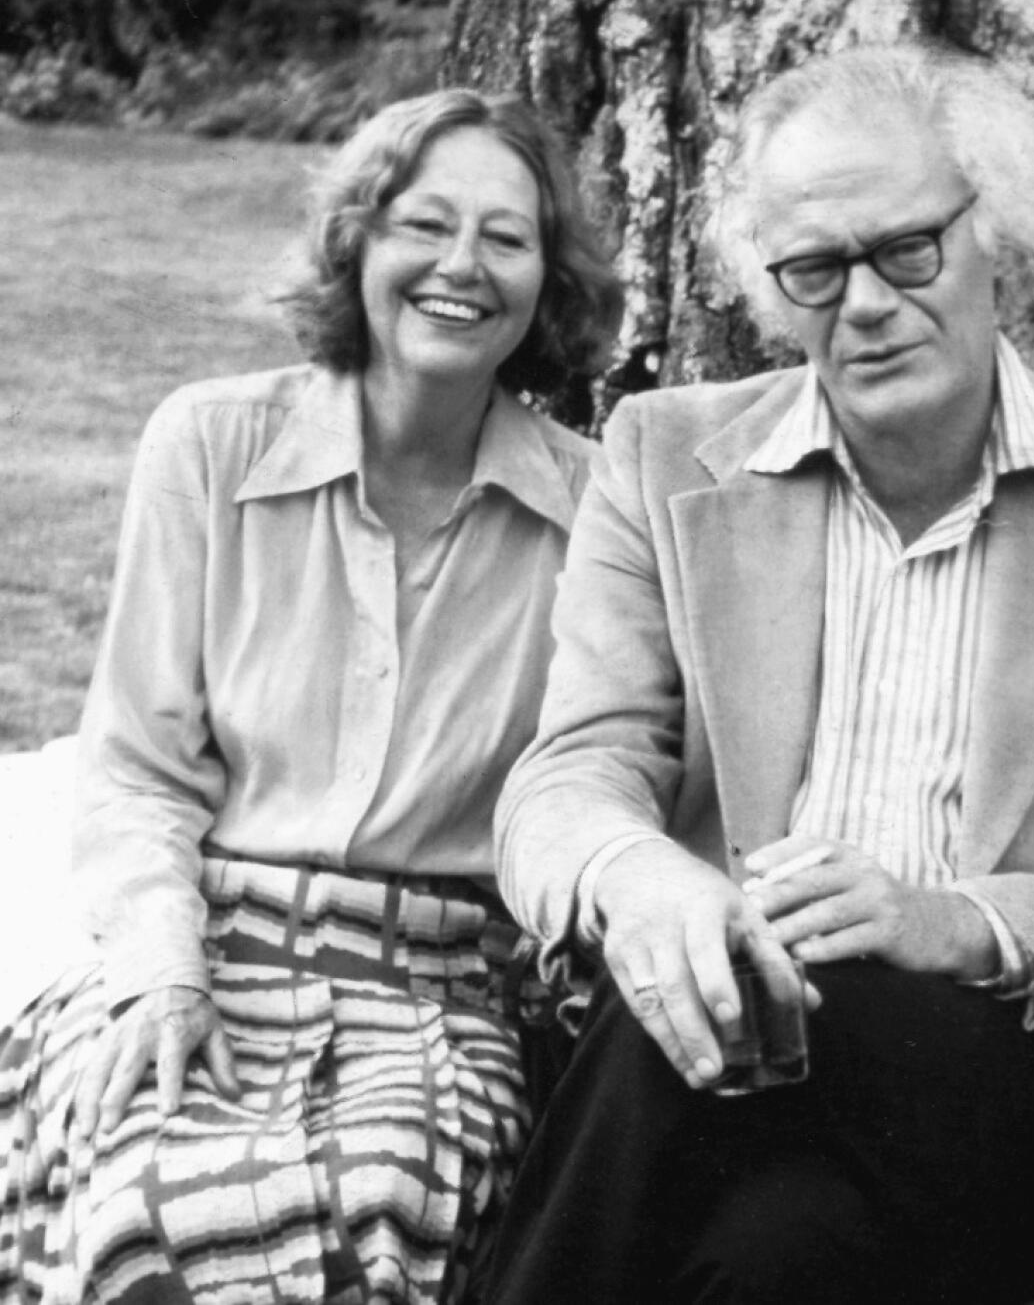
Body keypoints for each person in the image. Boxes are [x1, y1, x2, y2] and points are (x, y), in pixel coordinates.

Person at [484, 44, 1034, 1304]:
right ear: (773, 293)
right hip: (739, 1062)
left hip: (1023, 1082)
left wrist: (950, 922)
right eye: (816, 268)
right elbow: (571, 776)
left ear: (999, 240)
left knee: (688, 1040)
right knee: (776, 1255)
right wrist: (644, 880)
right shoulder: (665, 460)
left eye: (908, 249)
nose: (866, 303)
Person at [0, 88, 622, 1303]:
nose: (461, 265)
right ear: (357, 243)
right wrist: (160, 971)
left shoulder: (595, 513)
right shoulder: (211, 446)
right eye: (422, 223)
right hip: (198, 948)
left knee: (383, 1206)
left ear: (549, 280)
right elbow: (136, 770)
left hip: (432, 993)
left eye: (507, 237)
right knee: (135, 1205)